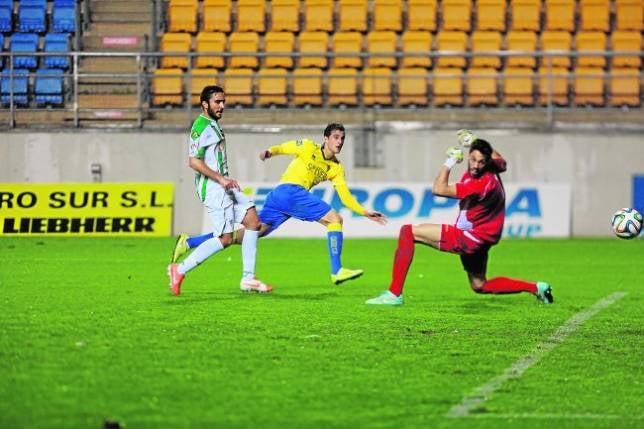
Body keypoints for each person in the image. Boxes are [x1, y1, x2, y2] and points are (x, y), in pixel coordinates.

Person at [172, 123, 388, 285]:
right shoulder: (308, 147)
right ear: (326, 138)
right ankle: (337, 270)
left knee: (254, 231)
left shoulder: (336, 168)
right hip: (289, 191)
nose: (339, 141)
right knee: (335, 219)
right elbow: (285, 147)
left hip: (279, 198)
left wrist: (364, 211)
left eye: (342, 138)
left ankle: (189, 242)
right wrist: (269, 152)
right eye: (336, 137)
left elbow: (345, 196)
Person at [366, 130, 553, 305]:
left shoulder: (480, 184)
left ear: (486, 162)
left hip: (469, 237)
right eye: (473, 160)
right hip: (482, 237)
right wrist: (473, 140)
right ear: (470, 154)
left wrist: (450, 161)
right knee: (479, 285)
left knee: (408, 231)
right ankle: (537, 288)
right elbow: (499, 158)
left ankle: (394, 294)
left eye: (481, 162)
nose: (475, 166)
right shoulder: (494, 166)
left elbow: (438, 189)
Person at [167, 85, 272, 296]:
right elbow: (193, 161)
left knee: (253, 221)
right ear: (205, 104)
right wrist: (220, 179)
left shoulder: (213, 124)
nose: (222, 106)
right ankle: (179, 269)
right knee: (224, 238)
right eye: (217, 102)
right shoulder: (200, 126)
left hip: (224, 185)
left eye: (223, 101)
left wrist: (225, 180)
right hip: (214, 189)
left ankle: (248, 279)